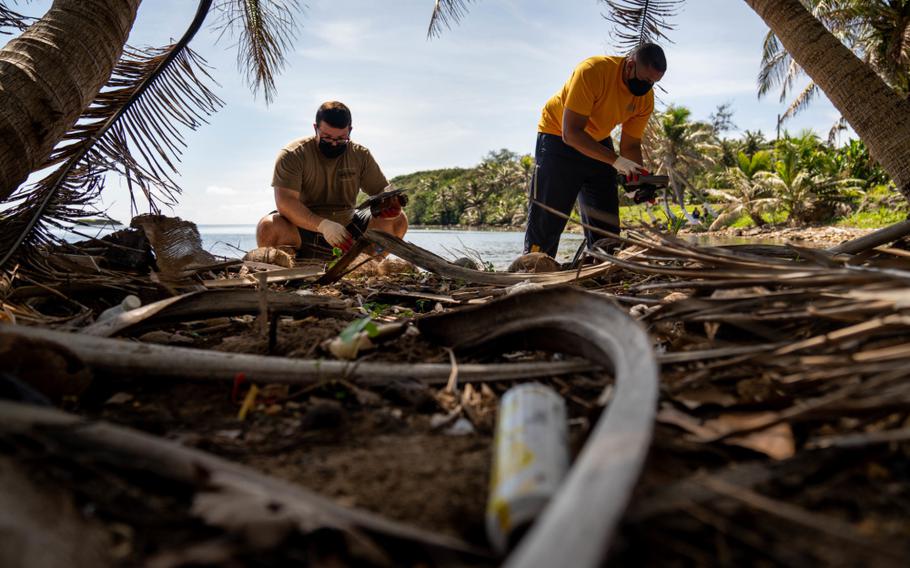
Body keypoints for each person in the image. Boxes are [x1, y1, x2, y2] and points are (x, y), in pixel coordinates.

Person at [524, 43, 666, 257]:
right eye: (645, 80)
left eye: (654, 82)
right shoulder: (593, 71)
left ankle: (600, 266)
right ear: (629, 66)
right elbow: (571, 133)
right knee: (548, 216)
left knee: (606, 225)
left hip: (597, 140)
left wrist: (636, 180)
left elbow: (630, 144)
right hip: (557, 136)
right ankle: (532, 268)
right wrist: (617, 162)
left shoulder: (645, 99)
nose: (647, 87)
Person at [256, 101, 407, 259]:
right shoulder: (292, 154)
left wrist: (391, 205)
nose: (334, 144)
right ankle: (292, 262)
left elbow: (382, 192)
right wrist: (323, 225)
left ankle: (368, 263)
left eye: (341, 139)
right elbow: (285, 202)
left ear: (350, 130)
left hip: (349, 232)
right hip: (303, 231)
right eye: (327, 138)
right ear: (316, 129)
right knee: (268, 227)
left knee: (398, 220)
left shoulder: (360, 155)